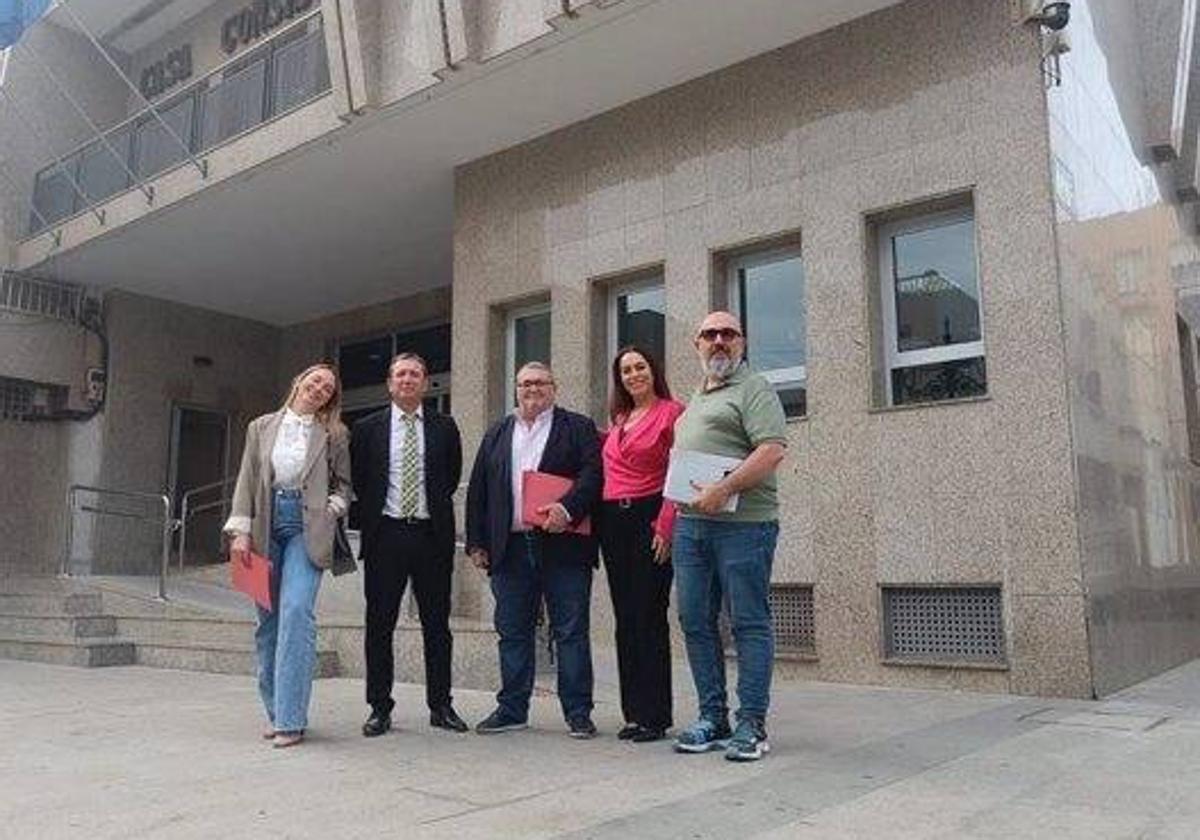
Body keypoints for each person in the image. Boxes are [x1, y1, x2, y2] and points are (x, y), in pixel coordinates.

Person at [672, 311, 787, 762]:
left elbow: (772, 450)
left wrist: (724, 488)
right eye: (710, 334)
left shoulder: (754, 387)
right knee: (696, 622)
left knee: (748, 623)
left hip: (744, 527)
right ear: (696, 343)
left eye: (728, 334)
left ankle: (751, 724)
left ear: (742, 342)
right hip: (692, 527)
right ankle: (712, 718)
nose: (718, 340)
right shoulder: (698, 395)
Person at [465, 361, 602, 738]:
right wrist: (477, 541)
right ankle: (512, 709)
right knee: (512, 630)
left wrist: (568, 509)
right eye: (525, 383)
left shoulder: (577, 427)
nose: (532, 389)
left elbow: (593, 476)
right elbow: (479, 489)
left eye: (540, 382)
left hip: (563, 545)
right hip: (508, 548)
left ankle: (578, 712)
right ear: (516, 389)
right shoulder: (497, 432)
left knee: (570, 630)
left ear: (554, 387)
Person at [224, 363, 352, 749]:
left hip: (306, 527)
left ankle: (291, 719)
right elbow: (247, 478)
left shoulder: (334, 434)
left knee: (296, 611)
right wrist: (240, 532)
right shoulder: (260, 426)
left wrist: (331, 510)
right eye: (315, 381)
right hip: (264, 524)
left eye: (327, 388)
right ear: (299, 381)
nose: (319, 388)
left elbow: (344, 485)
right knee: (268, 622)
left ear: (330, 398)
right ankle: (277, 711)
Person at [351, 353, 466, 737]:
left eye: (414, 374)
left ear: (425, 382)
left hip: (431, 536)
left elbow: (449, 477)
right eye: (400, 374)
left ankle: (441, 705)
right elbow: (362, 480)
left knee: (437, 625)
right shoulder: (366, 428)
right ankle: (379, 707)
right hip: (386, 535)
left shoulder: (444, 426)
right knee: (379, 624)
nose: (407, 379)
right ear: (389, 383)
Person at [598, 346, 685, 743]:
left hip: (649, 516)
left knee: (649, 615)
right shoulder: (619, 419)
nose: (634, 375)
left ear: (653, 371)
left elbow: (679, 472)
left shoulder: (672, 413)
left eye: (640, 367)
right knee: (625, 617)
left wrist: (666, 525)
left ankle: (655, 715)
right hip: (613, 521)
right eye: (626, 370)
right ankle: (633, 713)